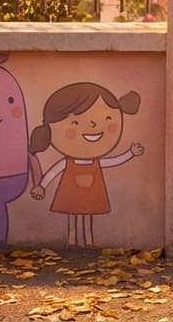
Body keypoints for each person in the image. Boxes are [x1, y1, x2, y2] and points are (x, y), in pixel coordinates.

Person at [28, 82, 144, 249]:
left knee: (88, 214)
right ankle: (72, 241)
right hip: (70, 194)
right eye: (75, 123)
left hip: (91, 194)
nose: (93, 125)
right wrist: (41, 186)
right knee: (72, 214)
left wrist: (130, 153)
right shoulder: (67, 162)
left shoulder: (96, 161)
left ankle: (89, 241)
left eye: (107, 119)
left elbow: (113, 161)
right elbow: (54, 171)